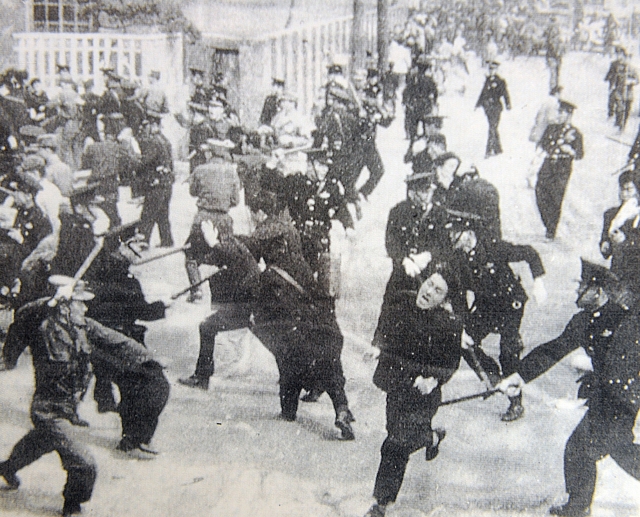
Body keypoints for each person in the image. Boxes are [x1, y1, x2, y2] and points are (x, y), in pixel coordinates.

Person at [497, 260, 640, 517]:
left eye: (582, 288)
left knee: (617, 450)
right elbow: (554, 350)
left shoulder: (624, 319)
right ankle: (578, 507)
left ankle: (578, 507)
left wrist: (604, 385)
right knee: (583, 448)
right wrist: (520, 375)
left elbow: (625, 364)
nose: (577, 293)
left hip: (623, 396)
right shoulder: (583, 321)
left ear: (598, 291)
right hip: (606, 398)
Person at [364, 263, 464, 517]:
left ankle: (381, 504)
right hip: (397, 386)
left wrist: (433, 380)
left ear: (444, 301)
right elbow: (384, 327)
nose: (428, 291)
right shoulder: (401, 302)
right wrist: (378, 344)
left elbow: (450, 365)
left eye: (438, 290)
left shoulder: (449, 325)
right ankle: (432, 438)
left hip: (422, 396)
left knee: (394, 445)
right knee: (399, 438)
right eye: (429, 283)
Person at [0, 277, 98, 516]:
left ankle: (7, 467)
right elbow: (25, 316)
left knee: (40, 441)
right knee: (84, 463)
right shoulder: (43, 327)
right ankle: (72, 505)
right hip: (48, 410)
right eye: (80, 303)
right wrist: (50, 301)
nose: (85, 308)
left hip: (68, 408)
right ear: (64, 304)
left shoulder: (79, 326)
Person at [446, 201, 546, 421]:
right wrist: (462, 327)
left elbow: (529, 253)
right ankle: (493, 377)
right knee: (463, 342)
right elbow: (457, 295)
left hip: (510, 304)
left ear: (469, 233)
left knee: (508, 351)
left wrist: (538, 280)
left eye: (456, 234)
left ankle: (516, 402)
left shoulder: (493, 247)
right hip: (486, 306)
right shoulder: (458, 258)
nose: (453, 239)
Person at [178, 218, 261, 390]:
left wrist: (213, 243)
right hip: (248, 303)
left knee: (207, 327)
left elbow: (228, 254)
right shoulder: (229, 242)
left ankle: (202, 378)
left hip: (249, 305)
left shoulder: (227, 246)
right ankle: (202, 376)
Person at [184, 138, 240, 302]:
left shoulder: (200, 169)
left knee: (191, 255)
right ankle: (231, 292)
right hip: (224, 219)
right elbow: (235, 200)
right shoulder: (231, 171)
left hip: (203, 217)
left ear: (210, 152)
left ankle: (196, 291)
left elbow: (193, 192)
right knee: (228, 254)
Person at [535, 100, 583, 240]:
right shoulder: (551, 128)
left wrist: (570, 151)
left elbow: (580, 154)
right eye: (559, 112)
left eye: (563, 113)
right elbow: (543, 144)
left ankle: (551, 230)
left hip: (562, 167)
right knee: (540, 193)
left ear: (569, 115)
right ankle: (548, 223)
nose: (559, 115)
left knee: (556, 198)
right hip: (548, 164)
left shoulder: (576, 133)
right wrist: (560, 143)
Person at [135, 111, 175, 248]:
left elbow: (146, 161)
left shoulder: (153, 141)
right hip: (166, 182)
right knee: (162, 213)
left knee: (148, 213)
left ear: (153, 125)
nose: (145, 129)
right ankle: (167, 240)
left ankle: (143, 241)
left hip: (156, 183)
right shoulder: (165, 140)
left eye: (147, 126)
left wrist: (135, 162)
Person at [475, 60, 511, 158]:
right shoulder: (487, 80)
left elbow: (505, 93)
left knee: (492, 128)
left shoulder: (500, 81)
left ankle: (489, 150)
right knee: (493, 128)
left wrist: (508, 104)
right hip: (488, 108)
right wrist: (478, 104)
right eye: (490, 69)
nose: (491, 71)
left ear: (496, 69)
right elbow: (483, 93)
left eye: (493, 69)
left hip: (496, 107)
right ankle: (498, 149)